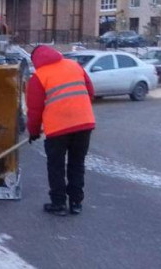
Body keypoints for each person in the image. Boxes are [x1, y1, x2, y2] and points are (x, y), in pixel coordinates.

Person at [26, 44, 95, 216]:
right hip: (84, 124)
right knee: (77, 163)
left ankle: (58, 204)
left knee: (56, 166)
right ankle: (76, 203)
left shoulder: (39, 76)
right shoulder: (74, 65)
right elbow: (90, 91)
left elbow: (34, 110)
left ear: (35, 60)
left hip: (58, 129)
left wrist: (33, 132)